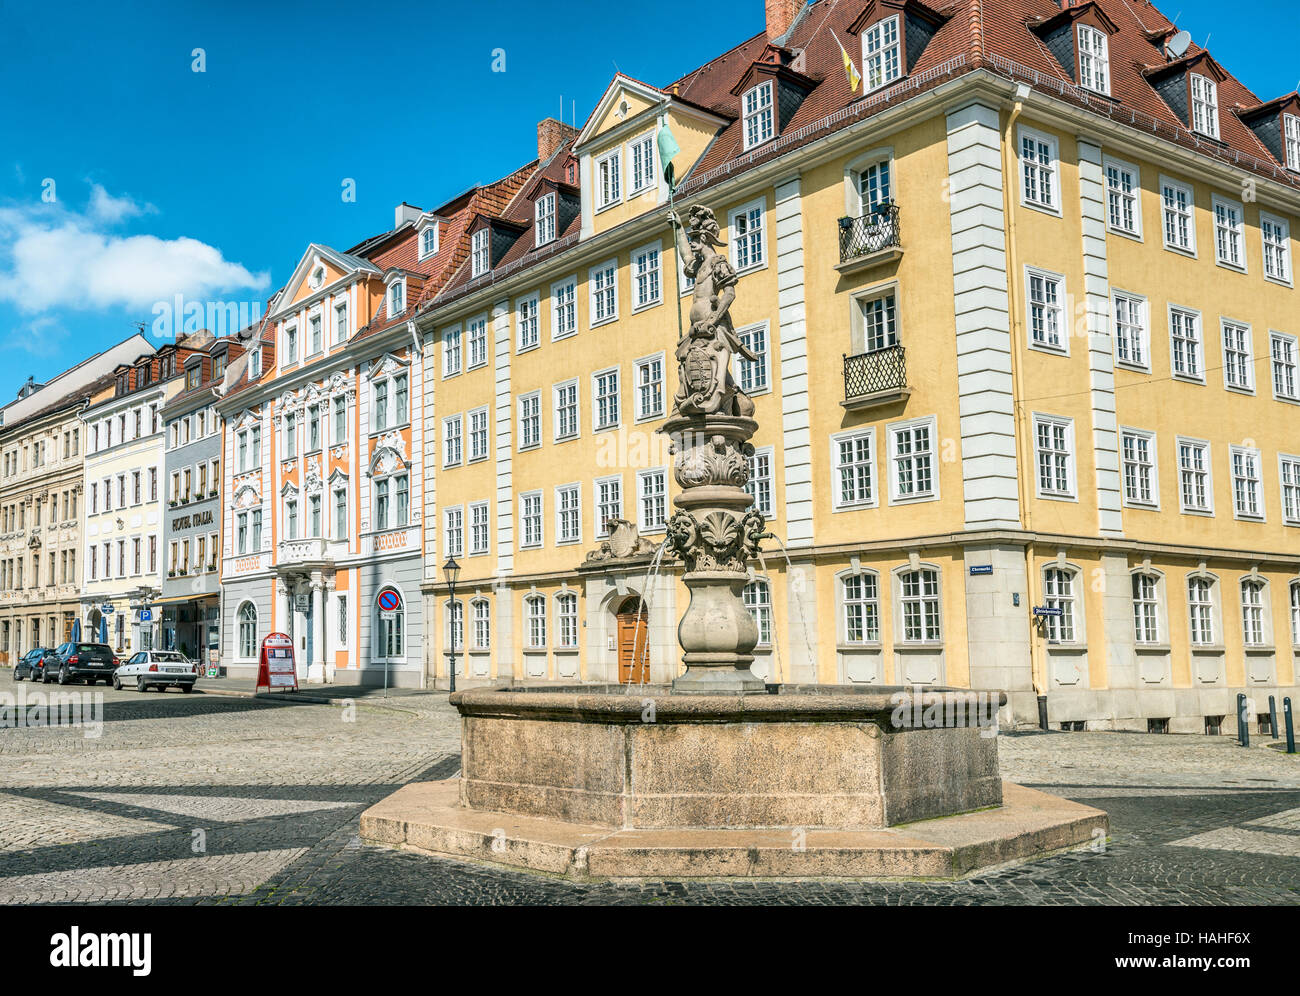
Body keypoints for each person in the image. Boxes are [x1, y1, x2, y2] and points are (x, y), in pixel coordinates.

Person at [668, 205, 756, 417]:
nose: (692, 242)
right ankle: (689, 404)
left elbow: (729, 293)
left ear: (706, 238)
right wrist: (678, 228)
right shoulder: (698, 266)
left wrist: (714, 319)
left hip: (713, 327)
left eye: (695, 237)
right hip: (695, 330)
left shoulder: (718, 263)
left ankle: (727, 402)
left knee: (716, 365)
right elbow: (685, 256)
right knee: (686, 364)